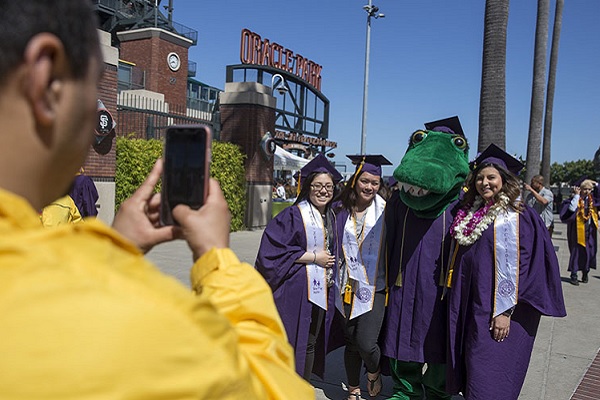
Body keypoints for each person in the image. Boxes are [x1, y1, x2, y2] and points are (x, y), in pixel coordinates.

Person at [0, 1, 313, 398]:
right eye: (93, 88)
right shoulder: (144, 326)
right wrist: (217, 260)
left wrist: (116, 248)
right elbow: (273, 388)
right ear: (46, 78)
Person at [446, 144, 566, 399]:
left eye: (491, 177)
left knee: (489, 374)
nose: (484, 182)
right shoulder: (473, 212)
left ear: (504, 180)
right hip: (472, 306)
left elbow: (526, 267)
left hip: (500, 311)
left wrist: (505, 311)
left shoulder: (519, 215)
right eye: (479, 177)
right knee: (472, 367)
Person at [382, 116, 471, 400]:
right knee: (402, 334)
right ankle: (404, 390)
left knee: (438, 339)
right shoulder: (399, 201)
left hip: (442, 289)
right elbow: (388, 238)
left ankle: (436, 391)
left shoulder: (462, 205)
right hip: (403, 280)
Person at [255, 153, 342, 380]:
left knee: (310, 341)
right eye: (318, 186)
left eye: (328, 186)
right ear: (308, 187)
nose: (323, 191)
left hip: (322, 288)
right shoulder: (293, 214)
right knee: (293, 339)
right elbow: (271, 251)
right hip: (296, 291)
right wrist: (314, 257)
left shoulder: (332, 216)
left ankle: (302, 386)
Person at [333, 154, 391, 399]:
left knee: (366, 342)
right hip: (345, 285)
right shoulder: (340, 210)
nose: (369, 187)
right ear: (355, 180)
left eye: (375, 183)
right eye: (365, 181)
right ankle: (354, 388)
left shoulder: (386, 211)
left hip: (374, 286)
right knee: (351, 340)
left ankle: (374, 371)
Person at [559, 178, 599, 285]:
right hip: (576, 231)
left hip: (589, 231)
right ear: (580, 189)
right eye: (585, 189)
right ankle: (574, 274)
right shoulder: (574, 200)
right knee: (576, 253)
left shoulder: (592, 201)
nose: (587, 191)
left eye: (589, 189)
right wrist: (576, 196)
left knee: (589, 252)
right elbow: (571, 210)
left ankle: (585, 272)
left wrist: (595, 183)